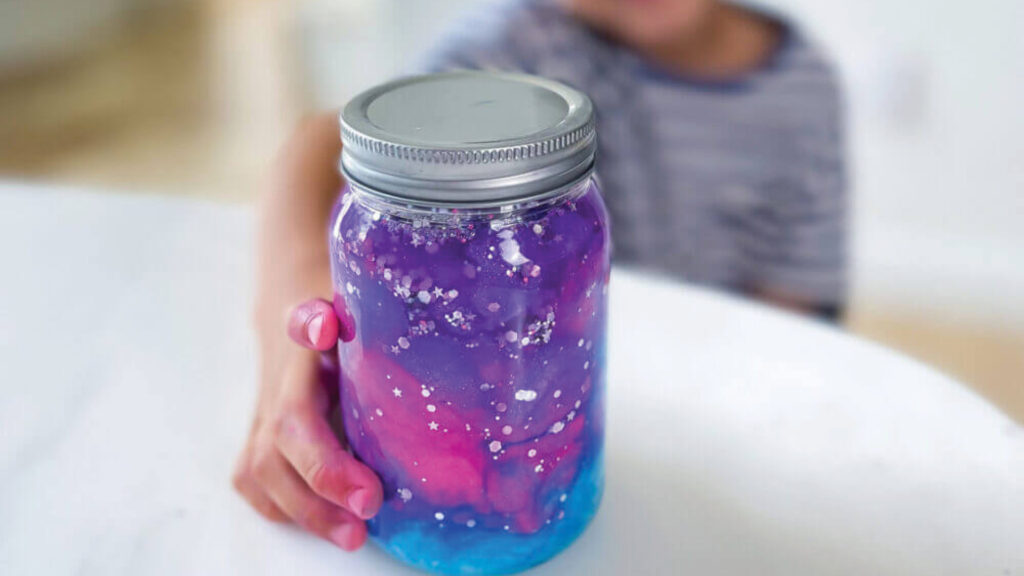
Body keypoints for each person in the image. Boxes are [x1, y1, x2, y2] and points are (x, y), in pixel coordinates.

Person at [232, 0, 847, 551]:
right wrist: (297, 296)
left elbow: (796, 311)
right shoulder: (523, 44)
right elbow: (322, 138)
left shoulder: (804, 88)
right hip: (448, 487)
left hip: (720, 409)